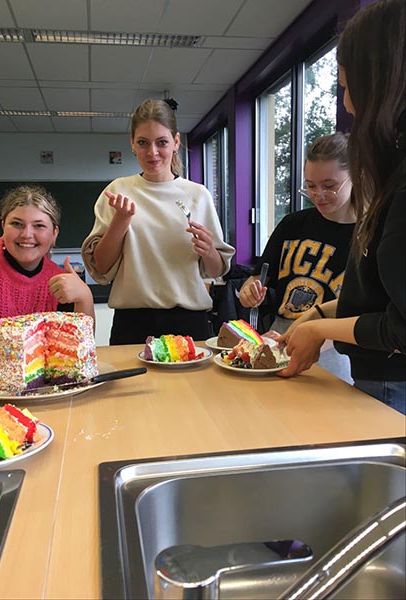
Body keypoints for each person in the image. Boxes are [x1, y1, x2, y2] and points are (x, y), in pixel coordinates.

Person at [277, 0, 406, 414]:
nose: (347, 105)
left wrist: (319, 329)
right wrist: (316, 313)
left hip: (392, 382)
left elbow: (399, 326)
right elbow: (375, 295)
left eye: (348, 89)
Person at [82, 98, 235, 344]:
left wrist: (208, 251)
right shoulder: (118, 190)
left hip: (189, 321)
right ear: (132, 143)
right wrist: (121, 221)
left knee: (191, 385)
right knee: (133, 385)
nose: (152, 153)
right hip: (132, 323)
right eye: (143, 143)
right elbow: (101, 267)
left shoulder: (197, 195)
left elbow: (216, 271)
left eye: (162, 142)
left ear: (176, 142)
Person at [239, 132, 355, 380]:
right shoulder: (293, 224)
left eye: (329, 186)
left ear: (355, 176)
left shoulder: (368, 233)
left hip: (334, 349)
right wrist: (249, 291)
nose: (318, 195)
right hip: (278, 337)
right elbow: (258, 278)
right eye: (310, 186)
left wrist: (312, 338)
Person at [0, 185, 95, 351]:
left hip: (30, 375)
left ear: (54, 233)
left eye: (39, 226)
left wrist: (84, 296)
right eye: (17, 224)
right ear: (3, 226)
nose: (27, 235)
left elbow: (78, 351)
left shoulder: (58, 283)